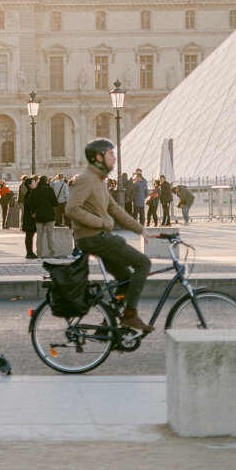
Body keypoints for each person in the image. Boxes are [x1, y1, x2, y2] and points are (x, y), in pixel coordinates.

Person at [67, 139, 170, 333]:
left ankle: (108, 326)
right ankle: (130, 315)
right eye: (110, 155)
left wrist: (140, 229)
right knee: (143, 263)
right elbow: (72, 209)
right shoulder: (85, 179)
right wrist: (102, 223)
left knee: (127, 279)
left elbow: (115, 209)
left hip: (98, 237)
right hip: (93, 237)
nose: (114, 158)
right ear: (98, 157)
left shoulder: (98, 181)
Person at [29, 173, 58, 257]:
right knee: (50, 236)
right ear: (46, 181)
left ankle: (39, 254)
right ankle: (52, 253)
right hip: (49, 215)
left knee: (39, 237)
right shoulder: (49, 190)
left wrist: (34, 211)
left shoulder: (35, 190)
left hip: (39, 215)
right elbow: (55, 202)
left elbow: (31, 203)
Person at [20, 175, 38, 259]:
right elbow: (30, 205)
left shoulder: (29, 192)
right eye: (34, 182)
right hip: (29, 218)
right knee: (29, 235)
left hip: (28, 217)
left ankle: (30, 252)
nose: (35, 183)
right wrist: (34, 212)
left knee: (29, 235)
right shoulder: (30, 193)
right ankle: (29, 252)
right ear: (30, 185)